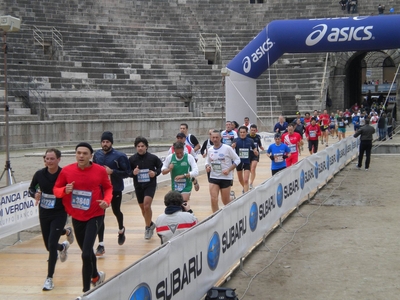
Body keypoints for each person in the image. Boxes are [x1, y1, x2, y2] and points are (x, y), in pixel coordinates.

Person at [53, 142, 112, 293]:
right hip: (77, 216)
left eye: (85, 153)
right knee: (87, 253)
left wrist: (106, 201)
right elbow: (56, 190)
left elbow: (108, 187)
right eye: (79, 153)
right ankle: (95, 276)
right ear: (75, 154)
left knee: (85, 253)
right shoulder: (67, 171)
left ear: (91, 156)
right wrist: (65, 190)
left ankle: (86, 291)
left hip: (95, 214)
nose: (81, 156)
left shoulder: (99, 171)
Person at [28, 148, 74, 291]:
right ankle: (64, 245)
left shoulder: (64, 174)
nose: (49, 161)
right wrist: (35, 194)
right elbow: (31, 188)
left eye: (52, 159)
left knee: (51, 244)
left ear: (59, 159)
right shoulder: (39, 174)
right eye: (46, 159)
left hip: (59, 212)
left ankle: (49, 278)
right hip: (44, 213)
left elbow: (71, 190)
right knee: (49, 246)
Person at [93, 131, 131, 257]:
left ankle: (121, 229)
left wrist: (112, 172)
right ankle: (101, 244)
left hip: (115, 189)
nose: (105, 144)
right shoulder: (97, 155)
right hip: (100, 190)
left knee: (116, 211)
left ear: (111, 143)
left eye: (107, 142)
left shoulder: (119, 156)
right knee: (100, 215)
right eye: (103, 142)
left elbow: (127, 172)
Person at [129, 136, 163, 239]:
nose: (140, 148)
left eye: (142, 146)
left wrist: (155, 173)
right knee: (143, 209)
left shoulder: (153, 158)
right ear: (135, 147)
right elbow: (127, 172)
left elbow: (161, 166)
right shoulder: (132, 159)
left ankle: (147, 228)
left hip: (150, 185)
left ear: (146, 147)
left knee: (147, 205)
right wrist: (133, 173)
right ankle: (151, 224)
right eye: (138, 146)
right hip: (139, 186)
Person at [205, 130, 241, 213]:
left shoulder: (227, 148)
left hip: (226, 177)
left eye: (217, 137)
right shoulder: (210, 150)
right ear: (210, 138)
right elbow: (207, 161)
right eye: (213, 137)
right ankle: (215, 218)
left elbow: (237, 159)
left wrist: (229, 169)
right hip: (214, 176)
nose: (215, 139)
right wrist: (207, 166)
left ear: (220, 138)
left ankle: (232, 200)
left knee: (225, 201)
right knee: (213, 199)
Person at [233, 126, 258, 193]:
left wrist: (255, 151)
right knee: (240, 179)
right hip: (239, 162)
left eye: (244, 132)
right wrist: (232, 147)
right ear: (239, 133)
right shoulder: (236, 140)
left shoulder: (250, 140)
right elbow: (231, 150)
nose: (242, 134)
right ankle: (245, 188)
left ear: (246, 132)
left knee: (246, 180)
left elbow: (254, 148)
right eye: (241, 132)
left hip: (247, 161)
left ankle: (246, 194)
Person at [247, 124, 264, 189]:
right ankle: (247, 181)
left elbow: (259, 145)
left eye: (254, 130)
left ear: (256, 130)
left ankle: (251, 183)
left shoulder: (258, 137)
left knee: (253, 168)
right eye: (252, 130)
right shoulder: (247, 136)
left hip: (255, 154)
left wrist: (261, 148)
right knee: (249, 169)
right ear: (250, 130)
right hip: (248, 154)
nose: (253, 131)